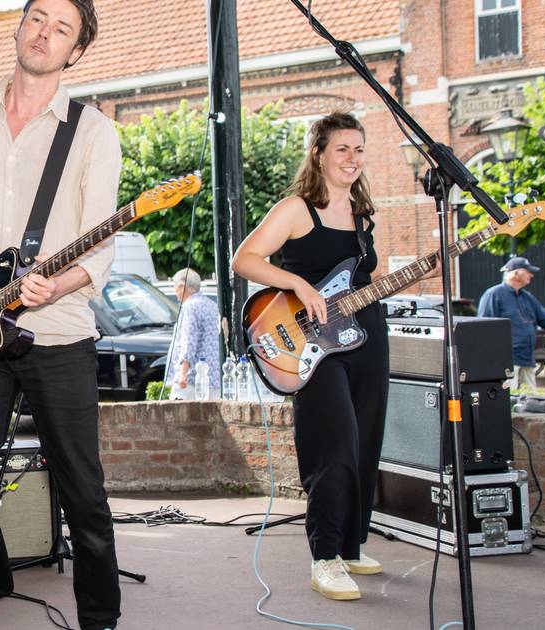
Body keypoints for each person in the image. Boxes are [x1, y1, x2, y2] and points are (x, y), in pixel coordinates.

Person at [0, 1, 122, 628]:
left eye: (61, 28)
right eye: (38, 17)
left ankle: (100, 620)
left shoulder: (92, 132)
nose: (44, 32)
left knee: (84, 495)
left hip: (58, 334)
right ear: (19, 24)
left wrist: (56, 285)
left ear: (76, 51)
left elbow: (102, 246)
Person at [232, 112, 393, 601]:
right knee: (333, 444)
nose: (352, 158)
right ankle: (324, 557)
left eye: (359, 149)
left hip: (365, 337)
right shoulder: (298, 209)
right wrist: (297, 282)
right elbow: (245, 258)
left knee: (365, 442)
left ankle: (349, 546)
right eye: (342, 149)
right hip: (311, 345)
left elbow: (360, 280)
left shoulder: (363, 214)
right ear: (319, 154)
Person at [477, 256, 545, 390]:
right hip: (506, 361)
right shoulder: (494, 295)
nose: (531, 275)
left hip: (527, 358)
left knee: (531, 398)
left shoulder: (527, 297)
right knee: (510, 398)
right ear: (516, 273)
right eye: (528, 271)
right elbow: (484, 328)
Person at [163, 268, 220, 394]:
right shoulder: (211, 304)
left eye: (175, 287)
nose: (175, 291)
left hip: (193, 379)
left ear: (182, 287)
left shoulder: (190, 307)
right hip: (214, 377)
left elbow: (189, 342)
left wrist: (183, 374)